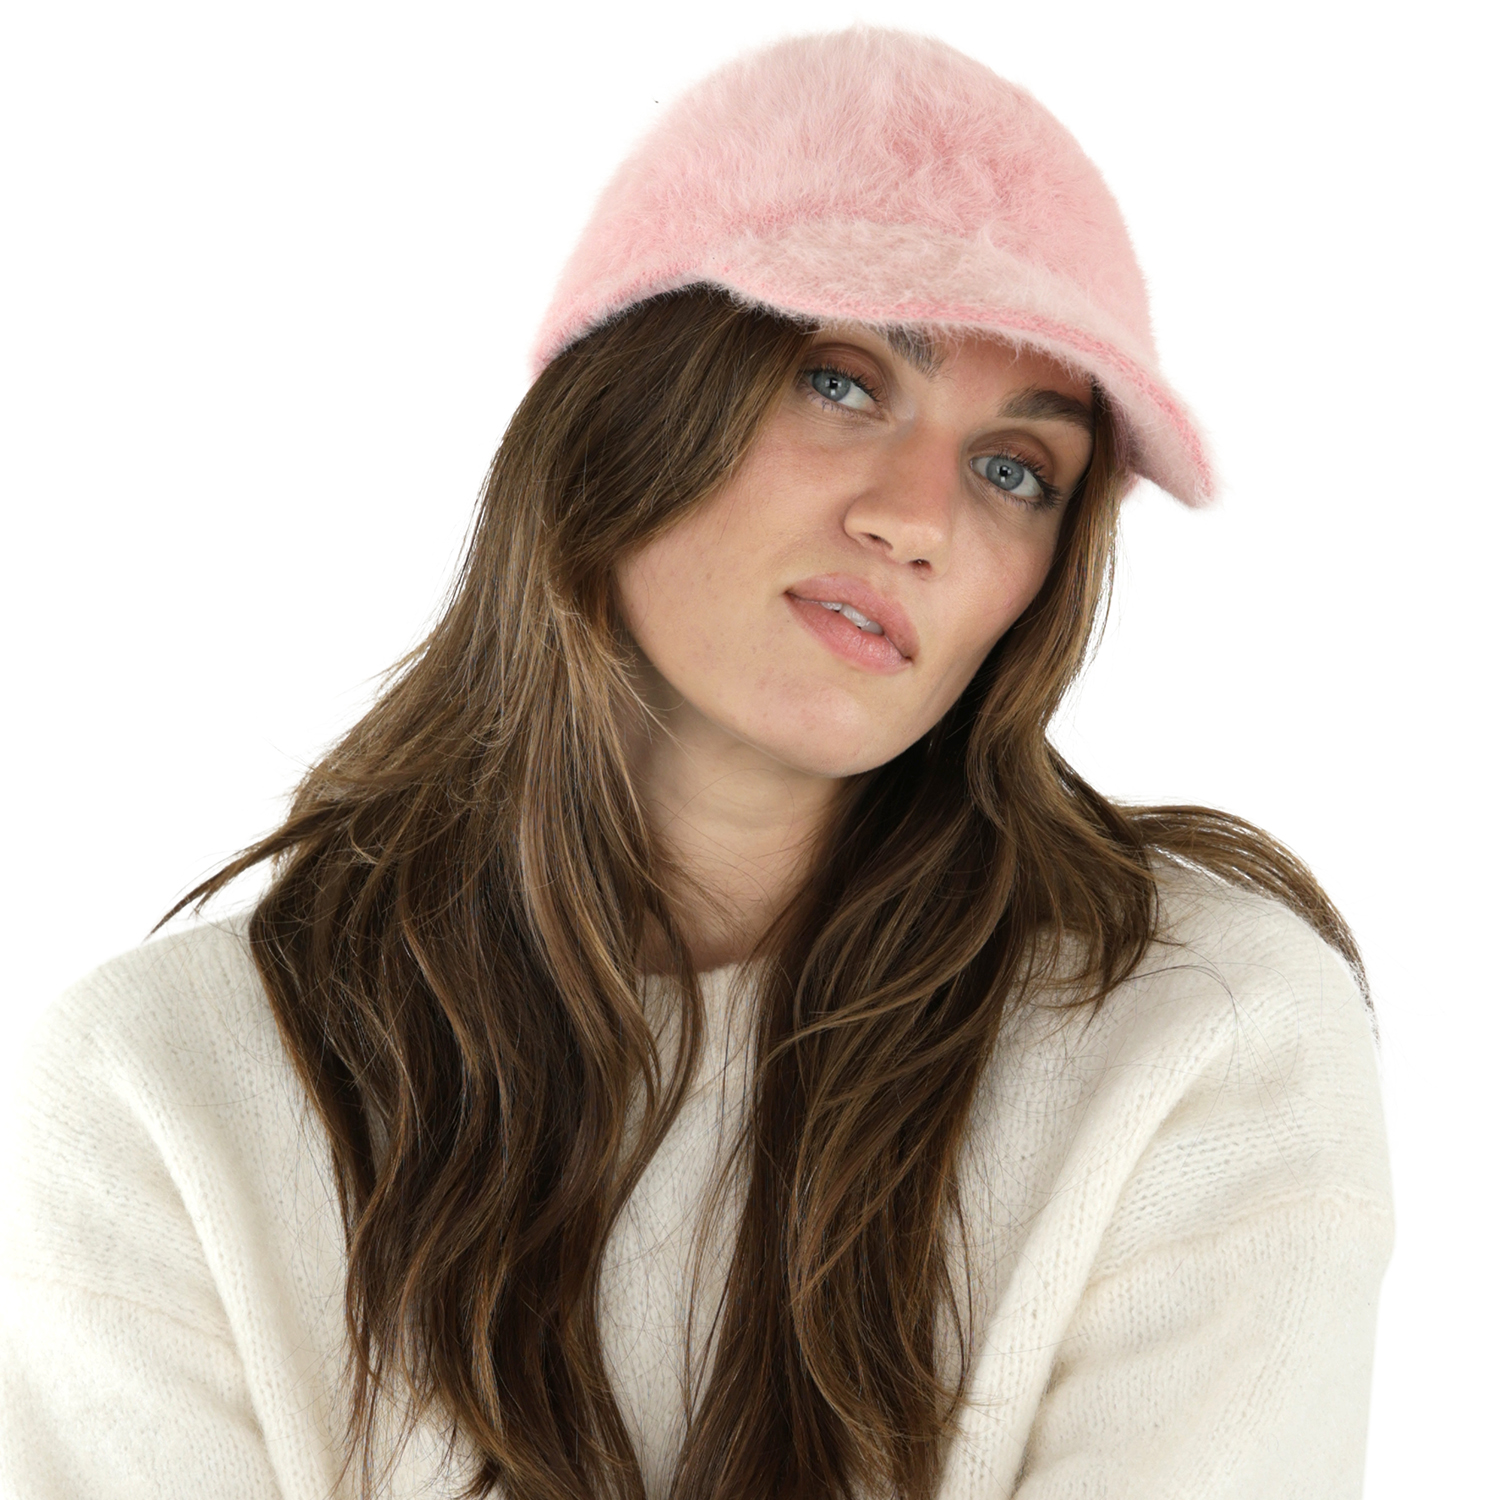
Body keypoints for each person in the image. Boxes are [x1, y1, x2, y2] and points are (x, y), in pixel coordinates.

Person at [0, 26, 1392, 1500]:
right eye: (843, 382)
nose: (918, 519)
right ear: (629, 399)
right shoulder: (169, 1096)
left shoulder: (1197, 1037)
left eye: (1014, 470)